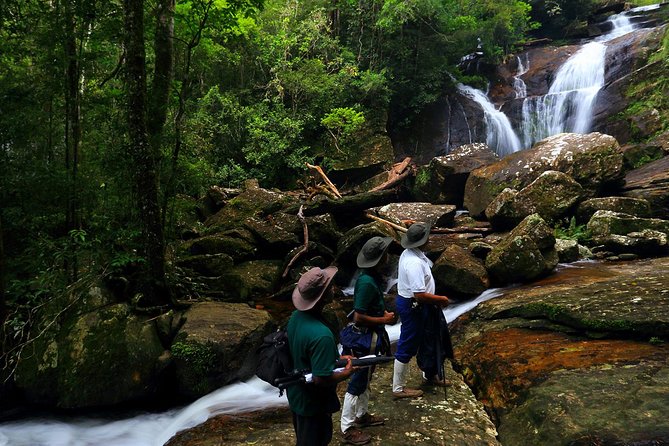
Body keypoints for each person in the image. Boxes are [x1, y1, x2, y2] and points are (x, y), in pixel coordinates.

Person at [286, 266, 358, 446]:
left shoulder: (296, 317)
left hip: (296, 394)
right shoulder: (321, 335)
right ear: (323, 297)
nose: (334, 289)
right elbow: (320, 379)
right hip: (313, 404)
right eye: (330, 287)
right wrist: (347, 372)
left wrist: (341, 360)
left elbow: (305, 356)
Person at [340, 236, 396, 445]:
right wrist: (385, 319)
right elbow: (358, 316)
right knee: (357, 381)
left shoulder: (370, 277)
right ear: (380, 259)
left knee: (366, 378)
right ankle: (347, 427)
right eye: (385, 254)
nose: (389, 256)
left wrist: (381, 312)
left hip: (372, 336)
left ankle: (362, 415)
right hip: (364, 338)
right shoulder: (366, 282)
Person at [392, 222, 451, 399]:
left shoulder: (411, 253)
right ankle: (398, 388)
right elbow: (419, 295)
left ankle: (430, 373)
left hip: (421, 305)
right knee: (408, 342)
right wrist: (441, 299)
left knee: (430, 337)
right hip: (414, 306)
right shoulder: (413, 263)